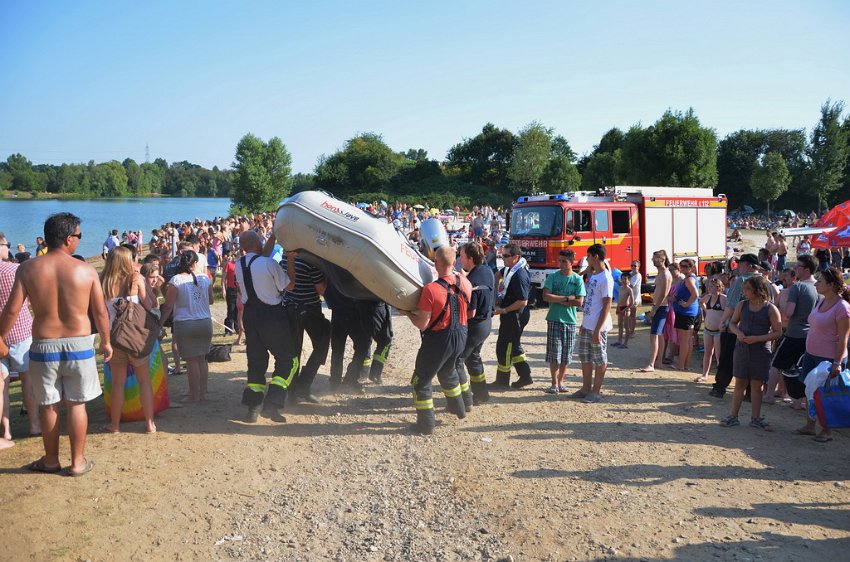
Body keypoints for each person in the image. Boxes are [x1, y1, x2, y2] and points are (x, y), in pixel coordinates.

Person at [0, 213, 112, 476]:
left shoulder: (28, 268)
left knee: (48, 405)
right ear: (68, 239)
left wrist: (0, 337)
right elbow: (100, 313)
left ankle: (51, 460)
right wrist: (106, 341)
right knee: (76, 403)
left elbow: (11, 311)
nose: (79, 241)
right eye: (79, 236)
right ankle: (77, 461)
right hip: (80, 345)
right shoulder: (85, 270)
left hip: (43, 345)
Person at [399, 246, 472, 435]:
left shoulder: (430, 290)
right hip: (462, 335)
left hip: (439, 339)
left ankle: (426, 425)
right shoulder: (465, 282)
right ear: (454, 261)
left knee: (420, 381)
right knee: (448, 371)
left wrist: (407, 313)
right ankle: (459, 408)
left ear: (436, 263)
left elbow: (422, 324)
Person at [234, 231, 299, 422]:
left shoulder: (240, 264)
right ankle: (272, 405)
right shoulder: (269, 263)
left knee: (256, 362)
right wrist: (290, 259)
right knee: (289, 360)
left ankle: (252, 409)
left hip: (250, 317)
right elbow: (291, 285)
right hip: (272, 316)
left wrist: (272, 238)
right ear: (257, 243)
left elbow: (259, 258)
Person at [790, 266, 850, 443]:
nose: (816, 283)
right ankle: (810, 425)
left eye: (820, 281)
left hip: (830, 358)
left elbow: (843, 339)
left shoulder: (843, 308)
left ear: (830, 285)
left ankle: (827, 429)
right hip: (811, 354)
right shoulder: (821, 301)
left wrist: (837, 363)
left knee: (826, 393)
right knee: (810, 389)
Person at [101, 246, 156, 433]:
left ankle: (114, 425)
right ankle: (150, 423)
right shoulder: (136, 278)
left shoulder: (104, 282)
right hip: (135, 337)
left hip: (114, 338)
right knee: (144, 381)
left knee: (117, 383)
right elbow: (149, 305)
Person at [720, 276, 782, 430]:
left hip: (760, 351)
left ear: (757, 289)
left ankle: (755, 418)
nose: (744, 291)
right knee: (739, 383)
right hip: (742, 348)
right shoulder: (742, 305)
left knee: (757, 385)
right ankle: (733, 416)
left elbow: (778, 332)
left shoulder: (770, 308)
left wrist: (758, 339)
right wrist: (738, 332)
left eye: (747, 288)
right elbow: (732, 323)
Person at [0, 232, 40, 440]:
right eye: (7, 244)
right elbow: (30, 300)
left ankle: (5, 431)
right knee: (28, 380)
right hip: (20, 331)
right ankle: (34, 425)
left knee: (1, 386)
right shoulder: (16, 270)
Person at [160, 250, 213, 403]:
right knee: (202, 359)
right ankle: (203, 392)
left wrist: (160, 323)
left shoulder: (176, 280)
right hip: (204, 321)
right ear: (196, 263)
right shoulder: (204, 278)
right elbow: (210, 300)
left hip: (185, 322)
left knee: (191, 361)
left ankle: (193, 393)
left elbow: (168, 306)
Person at [281, 255, 330, 403]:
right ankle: (304, 385)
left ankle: (292, 392)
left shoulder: (285, 256)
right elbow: (321, 289)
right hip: (309, 309)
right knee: (324, 339)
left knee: (294, 351)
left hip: (289, 308)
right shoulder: (311, 260)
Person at [710, 253, 758, 399]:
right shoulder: (764, 282)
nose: (738, 267)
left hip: (735, 326)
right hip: (756, 328)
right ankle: (750, 393)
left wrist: (722, 321)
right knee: (751, 360)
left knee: (727, 358)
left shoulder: (741, 281)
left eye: (741, 264)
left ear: (749, 266)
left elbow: (731, 305)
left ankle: (719, 388)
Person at [455, 241, 495, 404]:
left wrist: (454, 316)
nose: (460, 258)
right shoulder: (486, 270)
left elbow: (471, 312)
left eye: (462, 256)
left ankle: (464, 398)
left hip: (475, 326)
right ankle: (481, 395)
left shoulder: (472, 281)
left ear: (470, 259)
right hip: (485, 324)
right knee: (473, 358)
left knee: (457, 360)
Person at [572, 244, 613, 403]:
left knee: (599, 359)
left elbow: (606, 305)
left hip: (598, 327)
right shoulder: (595, 275)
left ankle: (596, 391)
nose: (587, 259)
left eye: (588, 256)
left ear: (596, 257)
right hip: (588, 324)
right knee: (585, 357)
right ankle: (585, 388)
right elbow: (591, 302)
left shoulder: (606, 277)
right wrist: (585, 323)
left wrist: (597, 330)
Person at [541, 249, 585, 394]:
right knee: (554, 353)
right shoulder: (553, 277)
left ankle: (561, 382)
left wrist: (558, 299)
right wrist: (567, 299)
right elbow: (546, 296)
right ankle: (553, 383)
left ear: (571, 263)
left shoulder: (577, 279)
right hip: (554, 318)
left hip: (570, 321)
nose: (560, 263)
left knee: (566, 354)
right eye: (559, 260)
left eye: (563, 261)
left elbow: (579, 301)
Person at [493, 244, 532, 389]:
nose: (502, 258)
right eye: (502, 255)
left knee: (505, 347)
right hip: (510, 314)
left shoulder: (520, 275)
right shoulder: (509, 269)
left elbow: (523, 301)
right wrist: (496, 294)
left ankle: (502, 382)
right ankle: (525, 376)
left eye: (506, 256)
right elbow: (497, 274)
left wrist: (504, 310)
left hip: (515, 315)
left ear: (516, 257)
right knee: (514, 347)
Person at [640, 250, 672, 372]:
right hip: (660, 306)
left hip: (661, 307)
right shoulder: (661, 273)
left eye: (655, 258)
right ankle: (658, 361)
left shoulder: (665, 274)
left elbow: (664, 293)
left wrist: (654, 309)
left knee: (654, 335)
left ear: (662, 259)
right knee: (660, 335)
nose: (653, 260)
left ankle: (651, 364)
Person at [696, 277, 726, 383]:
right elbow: (700, 302)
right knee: (707, 352)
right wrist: (706, 310)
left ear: (718, 287)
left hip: (718, 331)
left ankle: (720, 376)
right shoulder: (707, 297)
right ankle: (705, 374)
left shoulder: (723, 298)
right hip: (708, 329)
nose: (709, 288)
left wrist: (723, 322)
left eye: (712, 286)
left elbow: (730, 311)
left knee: (718, 354)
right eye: (708, 286)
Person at [672, 259, 699, 371]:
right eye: (681, 266)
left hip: (686, 313)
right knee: (688, 340)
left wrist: (686, 304)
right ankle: (685, 364)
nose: (682, 268)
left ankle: (681, 365)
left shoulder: (689, 279)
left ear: (690, 267)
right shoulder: (690, 278)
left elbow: (695, 294)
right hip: (689, 312)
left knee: (684, 340)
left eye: (685, 266)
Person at [613, 272, 633, 349]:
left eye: (625, 279)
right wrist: (618, 307)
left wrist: (625, 309)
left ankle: (625, 343)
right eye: (622, 279)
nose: (624, 280)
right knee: (620, 325)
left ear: (628, 280)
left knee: (626, 326)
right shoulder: (620, 288)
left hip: (626, 308)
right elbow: (619, 299)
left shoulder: (629, 289)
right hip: (620, 307)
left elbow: (632, 302)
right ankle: (619, 341)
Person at [221, 250, 238, 338]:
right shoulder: (229, 264)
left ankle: (238, 327)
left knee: (238, 310)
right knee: (231, 310)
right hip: (231, 289)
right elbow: (223, 277)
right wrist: (223, 288)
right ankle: (228, 329)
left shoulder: (240, 265)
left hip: (239, 290)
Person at [628, 260, 642, 336]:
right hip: (629, 297)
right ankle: (629, 329)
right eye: (632, 265)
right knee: (629, 315)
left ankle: (632, 331)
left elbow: (631, 286)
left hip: (635, 298)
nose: (633, 267)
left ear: (638, 267)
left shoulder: (638, 275)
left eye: (635, 266)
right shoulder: (630, 273)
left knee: (632, 315)